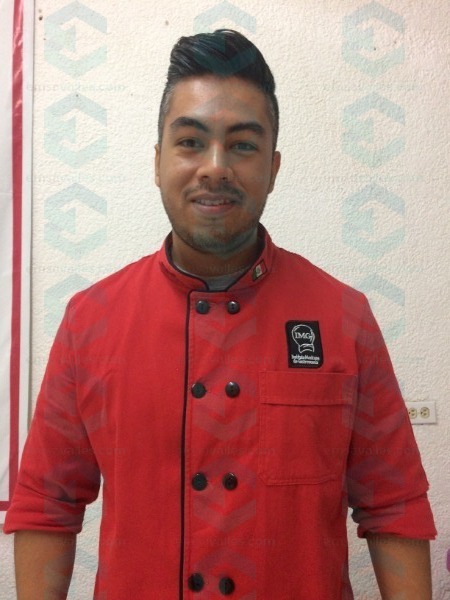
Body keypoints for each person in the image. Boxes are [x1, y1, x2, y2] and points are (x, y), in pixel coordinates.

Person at [4, 29, 436, 599]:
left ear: (274, 168)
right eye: (190, 141)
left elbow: (394, 504)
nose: (215, 167)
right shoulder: (91, 320)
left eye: (242, 145)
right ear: (157, 161)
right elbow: (47, 504)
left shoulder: (343, 317)